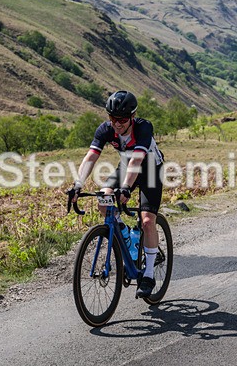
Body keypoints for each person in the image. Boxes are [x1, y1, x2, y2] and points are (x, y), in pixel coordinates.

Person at [69, 90, 165, 298]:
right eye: (113, 118)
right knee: (104, 200)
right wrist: (78, 184)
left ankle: (148, 275)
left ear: (132, 117)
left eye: (122, 119)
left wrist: (126, 188)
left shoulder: (143, 127)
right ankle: (124, 235)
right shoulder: (106, 129)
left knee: (148, 221)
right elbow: (91, 156)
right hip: (126, 166)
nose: (117, 124)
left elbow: (137, 160)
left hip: (150, 170)